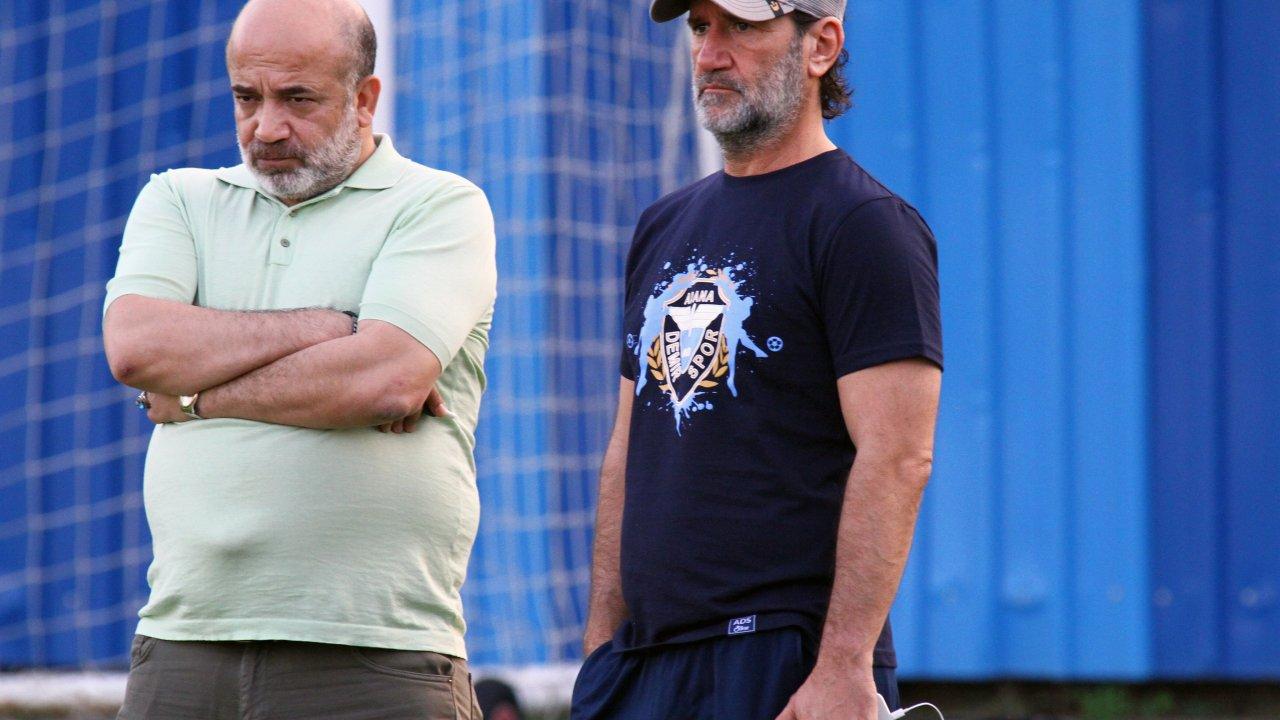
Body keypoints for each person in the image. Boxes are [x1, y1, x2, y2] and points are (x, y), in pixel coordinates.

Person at [101, 0, 495, 717]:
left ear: (365, 99)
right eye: (246, 98)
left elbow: (385, 379)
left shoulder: (439, 205)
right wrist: (330, 326)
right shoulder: (178, 200)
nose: (267, 128)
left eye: (297, 99)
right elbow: (136, 348)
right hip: (183, 645)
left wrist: (195, 397)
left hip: (377, 654)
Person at [571, 0, 943, 719]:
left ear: (820, 46)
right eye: (700, 27)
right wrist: (599, 648)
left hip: (781, 660)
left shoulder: (866, 226)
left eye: (741, 26)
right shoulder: (662, 224)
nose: (710, 53)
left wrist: (843, 664)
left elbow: (899, 457)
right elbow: (628, 448)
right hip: (643, 666)